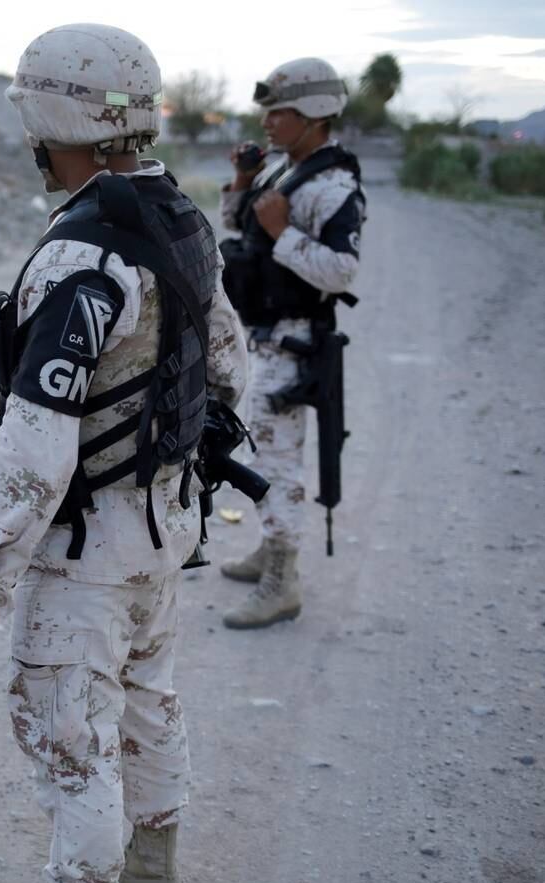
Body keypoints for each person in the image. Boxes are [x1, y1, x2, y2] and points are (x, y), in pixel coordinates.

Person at [0, 24, 247, 883]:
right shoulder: (182, 221)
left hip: (86, 549)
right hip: (164, 524)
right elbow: (231, 360)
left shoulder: (77, 256)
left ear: (53, 121)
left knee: (70, 735)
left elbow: (32, 445)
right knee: (151, 703)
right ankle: (154, 876)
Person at [216, 57, 366, 629]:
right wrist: (243, 184)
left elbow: (340, 270)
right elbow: (240, 228)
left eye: (279, 112)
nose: (268, 123)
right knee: (261, 452)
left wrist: (284, 234)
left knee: (278, 464)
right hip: (263, 337)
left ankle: (283, 581)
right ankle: (268, 553)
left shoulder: (335, 187)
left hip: (296, 343)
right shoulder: (284, 170)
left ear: (314, 114)